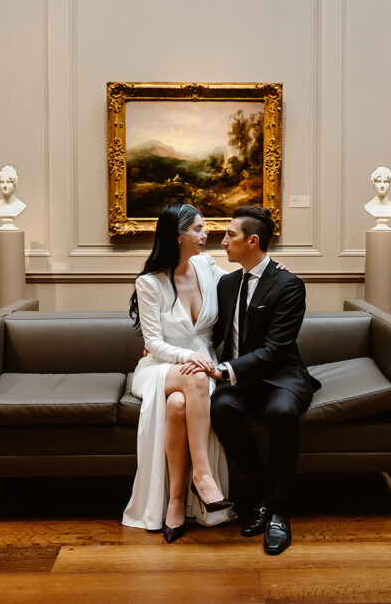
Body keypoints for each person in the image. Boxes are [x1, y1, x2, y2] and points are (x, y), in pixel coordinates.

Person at [208, 205, 321, 556]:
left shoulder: (289, 285)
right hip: (243, 381)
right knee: (221, 408)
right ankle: (262, 494)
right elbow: (210, 332)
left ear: (252, 240)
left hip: (281, 374)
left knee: (281, 414)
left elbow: (275, 350)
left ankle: (279, 511)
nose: (223, 241)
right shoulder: (226, 283)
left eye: (230, 235)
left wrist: (225, 370)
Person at [121, 204, 236, 543]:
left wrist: (274, 269)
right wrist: (191, 357)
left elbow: (242, 284)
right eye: (199, 229)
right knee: (197, 376)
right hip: (159, 367)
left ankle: (174, 503)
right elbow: (153, 343)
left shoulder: (207, 266)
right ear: (178, 236)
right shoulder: (149, 282)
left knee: (178, 407)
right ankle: (203, 478)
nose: (207, 235)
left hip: (197, 367)